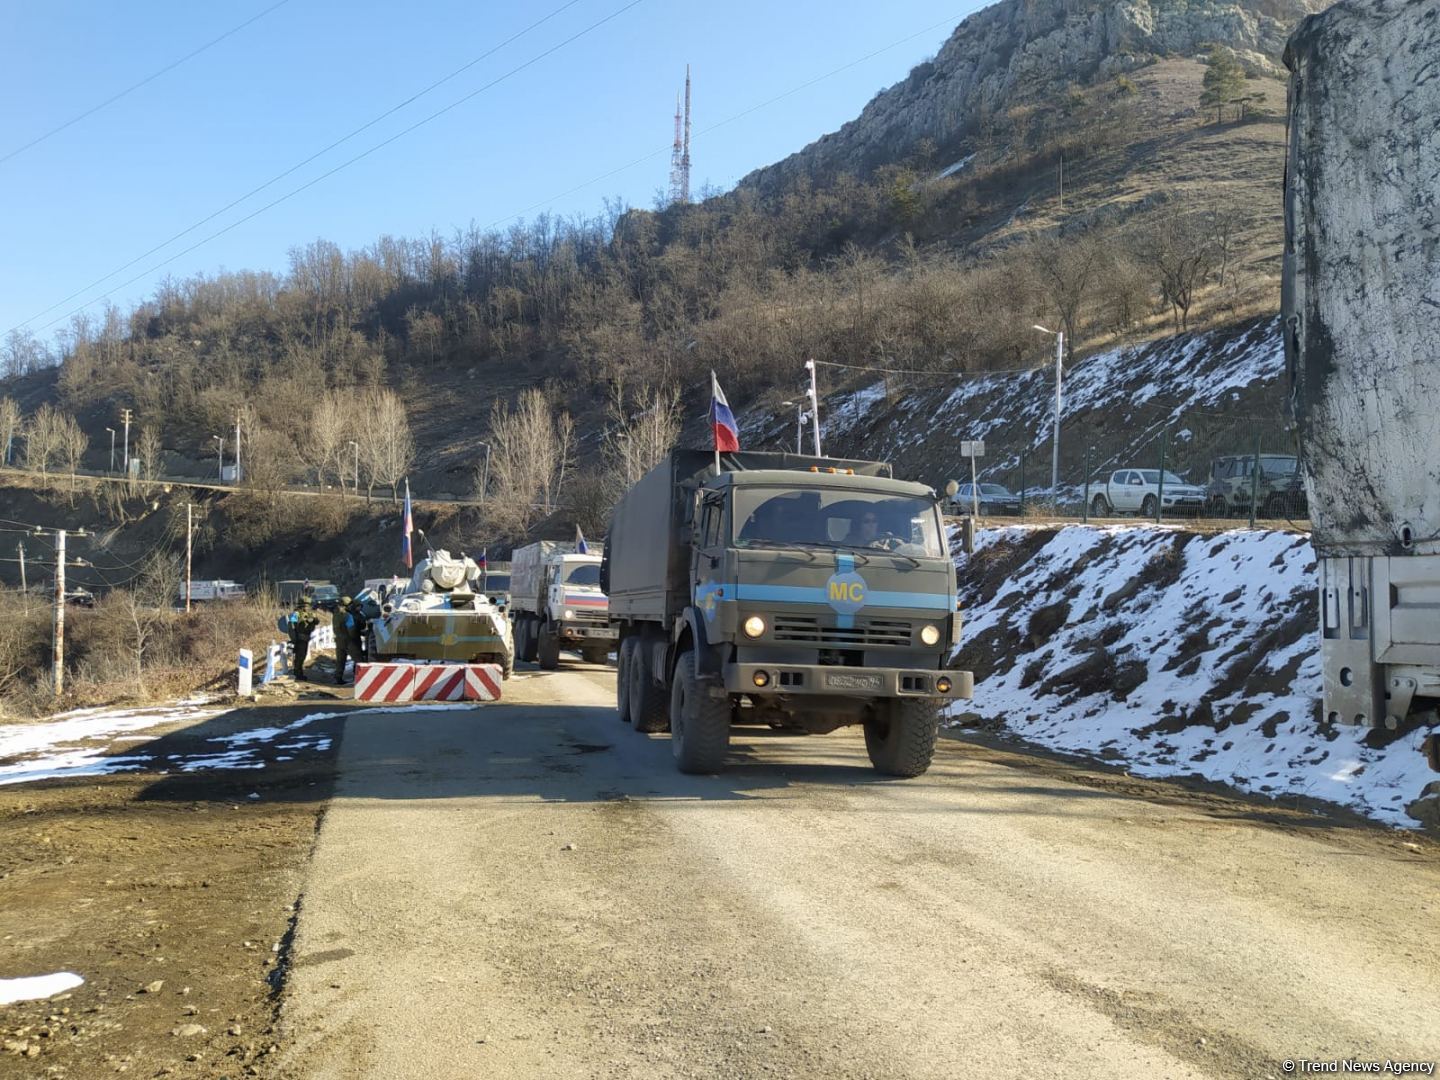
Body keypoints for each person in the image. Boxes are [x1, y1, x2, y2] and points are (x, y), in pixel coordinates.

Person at [287, 596, 320, 681]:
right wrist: (294, 639)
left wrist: (313, 620)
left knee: (302, 656)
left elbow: (316, 622)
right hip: (300, 638)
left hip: (305, 638)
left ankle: (299, 673)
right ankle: (298, 674)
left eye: (307, 606)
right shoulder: (296, 614)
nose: (306, 607)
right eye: (305, 606)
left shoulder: (309, 613)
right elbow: (291, 626)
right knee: (300, 657)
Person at [332, 596, 359, 686]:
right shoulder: (347, 615)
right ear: (347, 605)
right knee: (358, 659)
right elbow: (351, 629)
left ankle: (338, 678)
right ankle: (361, 678)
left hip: (338, 640)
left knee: (340, 661)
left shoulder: (335, 614)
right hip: (348, 640)